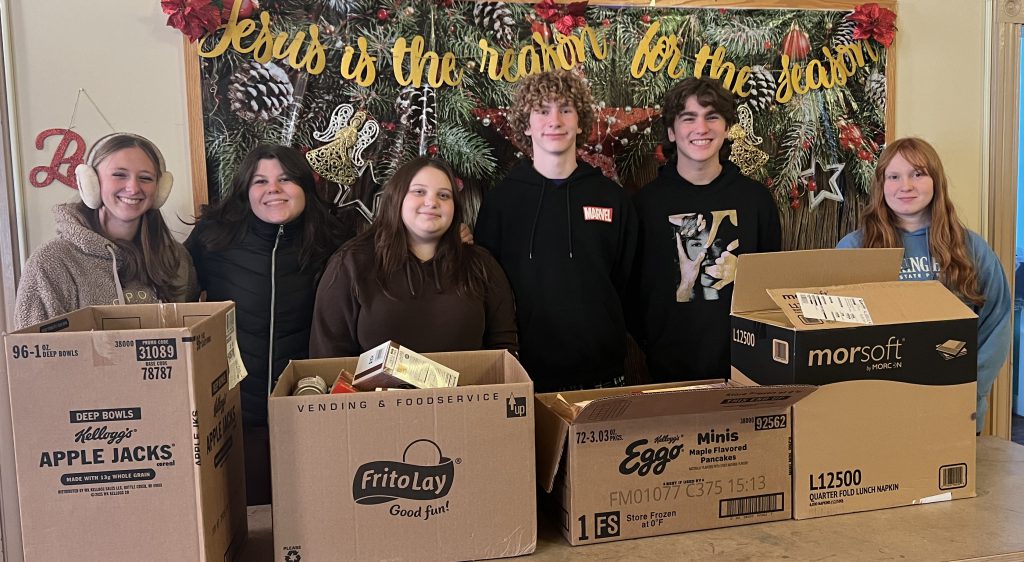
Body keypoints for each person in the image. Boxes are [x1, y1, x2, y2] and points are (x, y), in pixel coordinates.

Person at [185, 144, 348, 505]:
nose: (273, 189)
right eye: (260, 181)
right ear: (246, 190)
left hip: (309, 409)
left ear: (305, 186)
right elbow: (169, 288)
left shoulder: (335, 241)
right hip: (233, 417)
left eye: (285, 179)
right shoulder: (214, 238)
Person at [474, 70, 638, 392]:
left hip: (602, 372)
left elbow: (628, 282)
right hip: (525, 376)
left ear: (580, 122)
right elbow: (488, 290)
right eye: (542, 110)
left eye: (565, 109)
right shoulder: (502, 203)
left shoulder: (610, 198)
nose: (555, 120)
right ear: (526, 124)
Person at [837, 137, 1011, 433]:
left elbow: (996, 325)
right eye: (894, 176)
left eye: (918, 174)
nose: (906, 186)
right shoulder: (853, 249)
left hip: (954, 409)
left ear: (936, 181)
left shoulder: (972, 249)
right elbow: (832, 335)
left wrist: (969, 389)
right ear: (882, 185)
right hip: (876, 413)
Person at [630, 77, 781, 382]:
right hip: (666, 371)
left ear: (727, 128)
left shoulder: (756, 200)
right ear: (672, 132)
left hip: (745, 369)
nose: (701, 128)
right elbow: (631, 290)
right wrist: (653, 342)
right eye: (689, 118)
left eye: (712, 116)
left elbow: (772, 285)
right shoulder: (645, 205)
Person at [309, 156, 517, 358]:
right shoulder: (351, 264)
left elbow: (504, 347)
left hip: (466, 394)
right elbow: (328, 355)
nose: (431, 202)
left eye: (444, 195)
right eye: (419, 191)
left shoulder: (481, 265)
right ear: (396, 197)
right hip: (374, 394)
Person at [15, 132, 198, 328]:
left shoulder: (175, 257)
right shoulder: (51, 262)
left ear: (160, 190)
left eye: (145, 178)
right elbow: (34, 352)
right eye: (119, 175)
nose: (133, 187)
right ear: (90, 182)